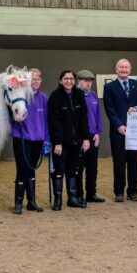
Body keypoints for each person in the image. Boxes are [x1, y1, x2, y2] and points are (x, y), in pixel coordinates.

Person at [103, 59, 137, 202]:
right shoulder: (109, 87)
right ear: (116, 70)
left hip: (135, 131)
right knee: (119, 163)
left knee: (134, 163)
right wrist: (118, 125)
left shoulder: (136, 84)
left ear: (130, 69)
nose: (124, 69)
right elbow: (109, 109)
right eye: (121, 67)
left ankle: (133, 191)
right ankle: (119, 192)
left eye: (126, 67)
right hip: (118, 132)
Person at [48, 70, 91, 210]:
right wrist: (58, 142)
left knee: (73, 169)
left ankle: (72, 199)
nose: (69, 81)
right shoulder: (55, 96)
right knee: (59, 169)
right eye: (66, 79)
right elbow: (54, 121)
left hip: (77, 141)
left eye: (71, 79)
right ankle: (58, 200)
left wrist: (86, 138)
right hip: (61, 142)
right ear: (60, 81)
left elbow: (84, 118)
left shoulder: (79, 95)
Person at [11, 68, 47, 214]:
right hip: (22, 138)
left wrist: (46, 138)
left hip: (38, 139)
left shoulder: (44, 98)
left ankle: (31, 202)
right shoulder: (21, 96)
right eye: (33, 79)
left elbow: (46, 120)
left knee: (31, 171)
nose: (36, 81)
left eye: (38, 79)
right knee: (22, 170)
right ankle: (18, 202)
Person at [76, 69, 106, 203]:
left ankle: (91, 193)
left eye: (90, 81)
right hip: (81, 137)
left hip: (93, 137)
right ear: (79, 81)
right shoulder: (75, 96)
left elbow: (98, 116)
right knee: (79, 167)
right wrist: (83, 137)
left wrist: (98, 133)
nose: (88, 84)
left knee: (92, 167)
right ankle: (78, 195)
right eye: (85, 81)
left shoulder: (93, 96)